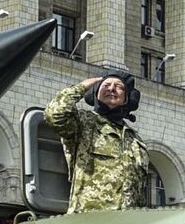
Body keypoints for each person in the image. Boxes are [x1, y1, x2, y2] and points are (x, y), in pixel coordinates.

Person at [44, 71, 148, 213]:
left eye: (119, 87)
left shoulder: (135, 140)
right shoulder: (84, 122)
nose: (111, 89)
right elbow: (55, 114)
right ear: (95, 92)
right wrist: (82, 87)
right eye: (105, 85)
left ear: (127, 98)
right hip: (89, 221)